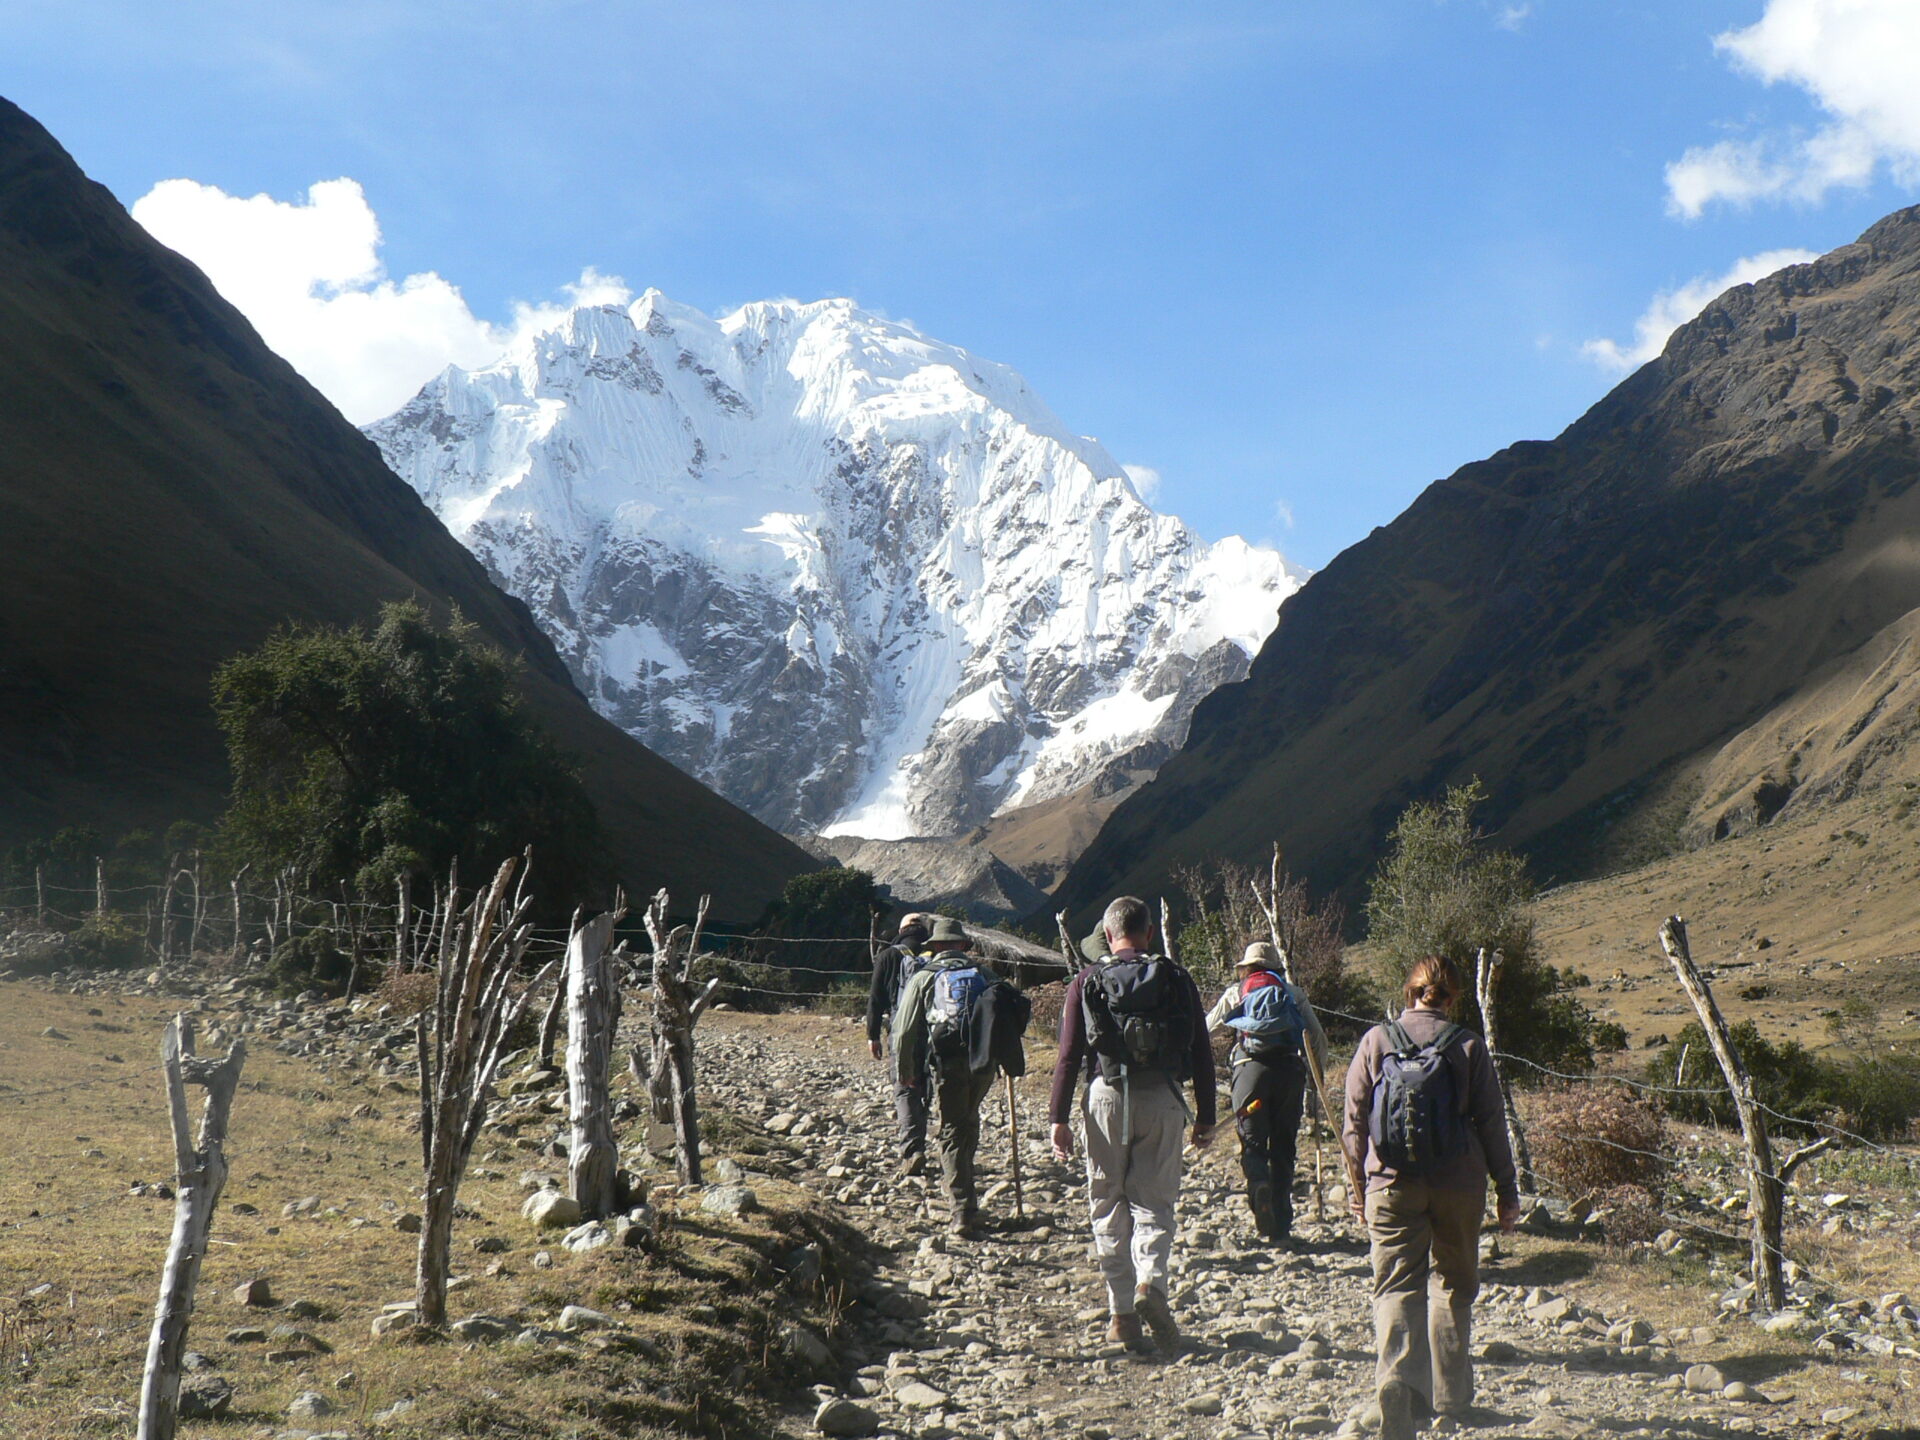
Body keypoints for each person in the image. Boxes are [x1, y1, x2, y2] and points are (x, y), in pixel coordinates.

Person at [1341, 955, 1521, 1439]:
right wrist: (1507, 1191)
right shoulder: (1467, 1045)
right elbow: (1491, 1122)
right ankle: (1451, 1396)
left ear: (1410, 992)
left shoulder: (1377, 1040)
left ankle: (1399, 1382)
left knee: (1397, 1284)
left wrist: (1359, 1186)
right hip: (1459, 1183)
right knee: (1452, 1285)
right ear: (1454, 996)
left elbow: (1355, 1120)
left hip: (1391, 1182)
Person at [1049, 896, 1215, 1353]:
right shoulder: (1176, 978)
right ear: (1148, 933)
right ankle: (1151, 1284)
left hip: (1105, 1097)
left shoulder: (1086, 980)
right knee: (1154, 1202)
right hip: (1162, 1096)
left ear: (1107, 934)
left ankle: (1122, 1315)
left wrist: (1058, 1117)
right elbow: (1201, 1051)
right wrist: (1205, 1116)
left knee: (1107, 1202)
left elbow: (1068, 1054)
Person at [892, 917, 1029, 1237]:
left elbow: (903, 1031)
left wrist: (905, 1072)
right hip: (983, 1065)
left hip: (947, 1064)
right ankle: (965, 1190)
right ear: (964, 946)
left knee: (952, 1131)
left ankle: (962, 1211)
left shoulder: (924, 977)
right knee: (968, 1121)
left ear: (936, 947)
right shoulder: (984, 974)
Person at [1205, 940, 1328, 1244]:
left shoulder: (1237, 992)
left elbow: (1205, 1029)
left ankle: (1259, 1185)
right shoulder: (1292, 994)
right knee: (1284, 1146)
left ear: (1247, 967)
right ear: (1275, 967)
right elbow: (1318, 1038)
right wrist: (1316, 1081)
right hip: (1289, 1073)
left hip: (1250, 1073)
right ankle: (1282, 1225)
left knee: (1253, 1141)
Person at [867, 912, 932, 1174]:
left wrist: (873, 1035)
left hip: (901, 1029)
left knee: (904, 1087)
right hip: (934, 1031)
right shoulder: (936, 954)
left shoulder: (889, 955)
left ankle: (912, 1150)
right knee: (926, 1086)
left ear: (902, 929)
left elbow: (875, 999)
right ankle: (924, 1140)